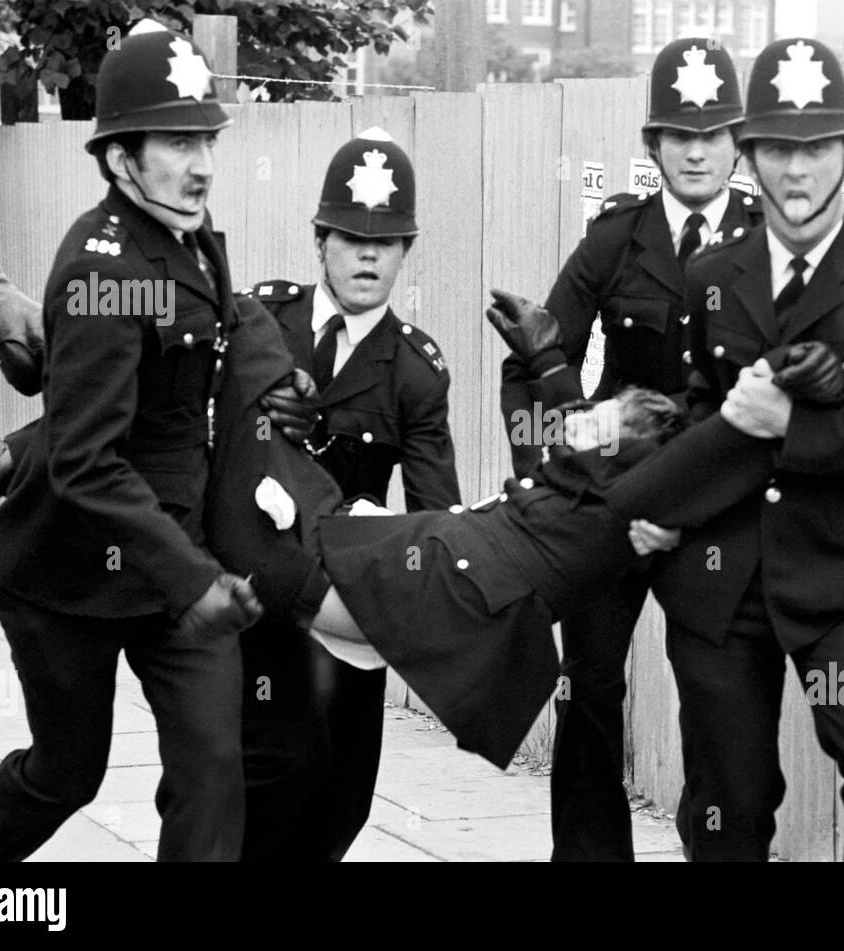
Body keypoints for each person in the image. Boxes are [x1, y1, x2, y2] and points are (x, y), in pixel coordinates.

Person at [203, 290, 844, 772]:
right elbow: (579, 433)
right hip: (451, 551)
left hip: (464, 587)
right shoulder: (651, 438)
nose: (750, 377)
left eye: (767, 377)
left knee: (274, 567)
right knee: (280, 533)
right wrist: (544, 361)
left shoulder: (681, 469)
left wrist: (750, 424)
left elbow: (632, 479)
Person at [0, 22, 268, 862]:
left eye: (207, 139)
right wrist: (195, 580)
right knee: (65, 772)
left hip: (173, 564)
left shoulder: (187, 233)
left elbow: (221, 330)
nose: (202, 163)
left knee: (214, 768)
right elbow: (85, 459)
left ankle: (25, 361)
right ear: (121, 158)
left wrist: (283, 379)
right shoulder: (100, 268)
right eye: (177, 142)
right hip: (71, 578)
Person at [651, 37, 844, 862]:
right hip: (726, 576)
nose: (798, 171)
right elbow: (699, 409)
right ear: (749, 156)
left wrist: (801, 427)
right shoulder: (711, 274)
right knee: (730, 805)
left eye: (817, 148)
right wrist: (662, 508)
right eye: (780, 149)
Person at [498, 36, 762, 862]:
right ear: (653, 144)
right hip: (616, 508)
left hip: (715, 515)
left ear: (737, 143)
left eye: (713, 133)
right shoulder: (617, 239)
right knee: (589, 688)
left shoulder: (768, 244)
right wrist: (566, 471)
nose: (695, 149)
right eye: (678, 134)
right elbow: (537, 358)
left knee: (716, 699)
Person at [240, 129, 460, 862]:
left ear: (407, 250)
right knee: (281, 766)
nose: (368, 256)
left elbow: (434, 508)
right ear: (320, 240)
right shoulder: (262, 322)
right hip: (255, 588)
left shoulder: (416, 371)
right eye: (352, 237)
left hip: (345, 604)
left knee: (345, 799)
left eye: (387, 242)